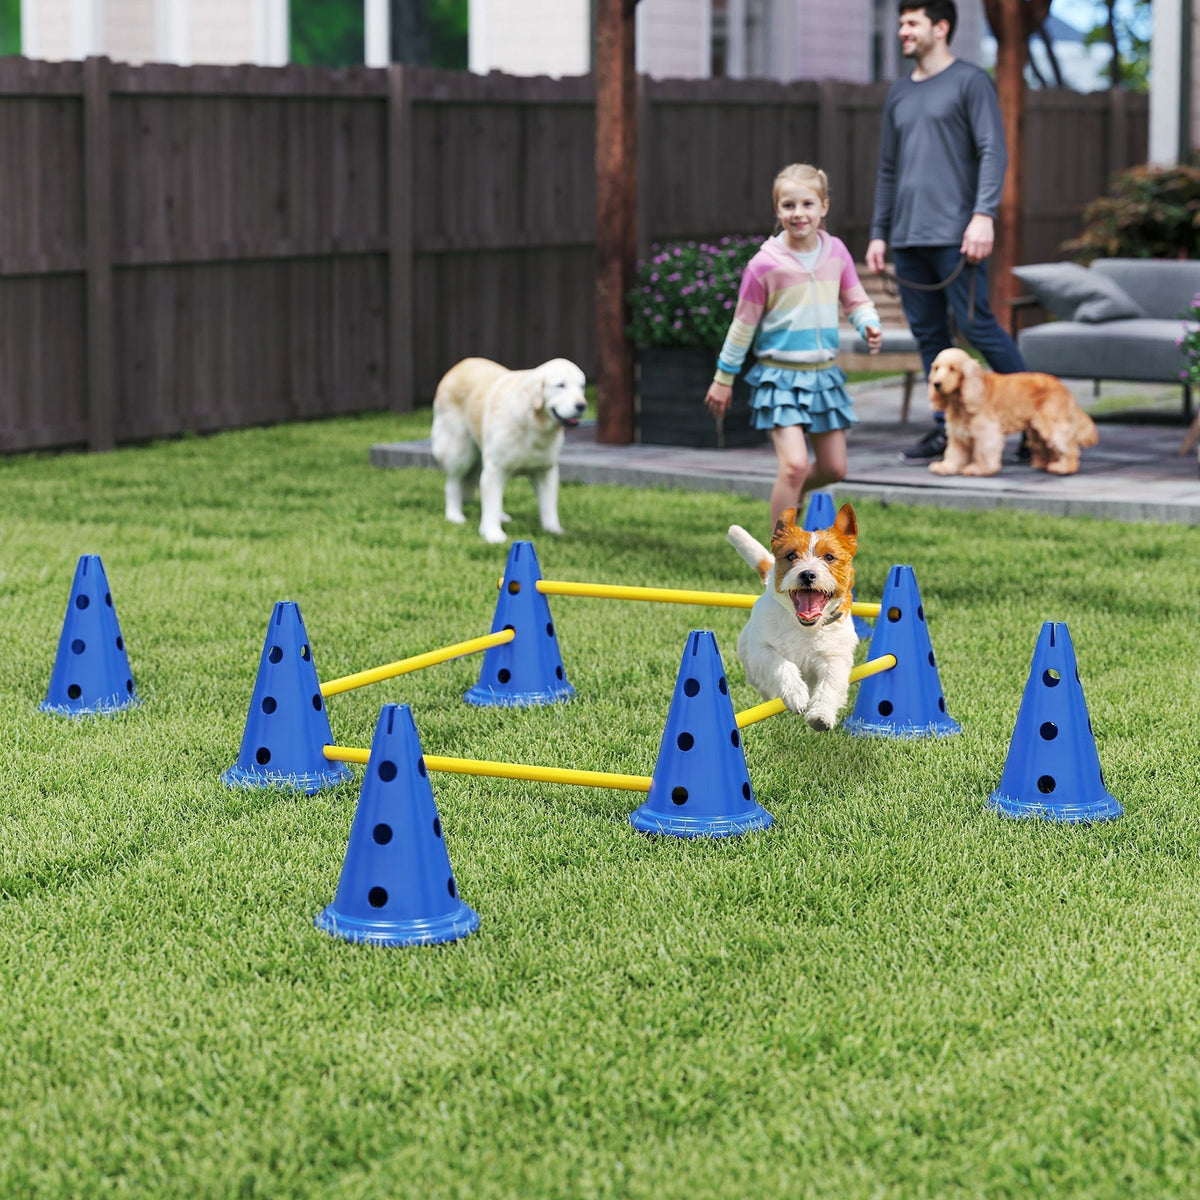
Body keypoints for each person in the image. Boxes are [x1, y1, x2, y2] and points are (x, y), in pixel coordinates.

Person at [865, 0, 1027, 464]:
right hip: (907, 238)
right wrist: (879, 233)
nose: (902, 30)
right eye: (901, 22)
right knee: (930, 337)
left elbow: (993, 151)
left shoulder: (971, 82)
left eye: (911, 22)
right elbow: (888, 168)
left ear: (940, 27)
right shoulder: (898, 92)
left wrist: (983, 215)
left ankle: (1033, 423)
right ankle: (946, 430)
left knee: (978, 327)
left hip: (959, 235)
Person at [705, 163, 882, 527]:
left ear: (824, 207)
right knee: (794, 466)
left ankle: (793, 493)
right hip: (779, 379)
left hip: (824, 378)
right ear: (777, 210)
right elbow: (742, 327)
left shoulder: (837, 252)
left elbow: (856, 301)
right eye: (788, 205)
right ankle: (780, 552)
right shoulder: (763, 265)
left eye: (807, 204)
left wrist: (869, 323)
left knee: (835, 468)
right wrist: (723, 378)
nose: (798, 213)